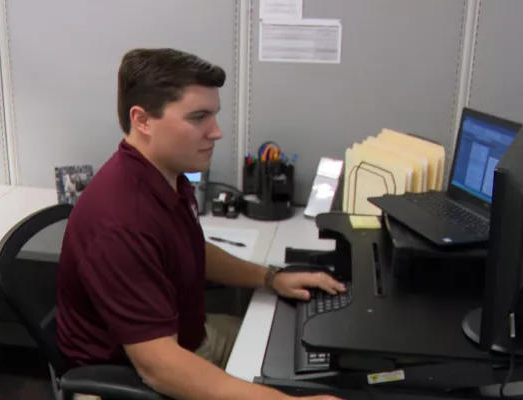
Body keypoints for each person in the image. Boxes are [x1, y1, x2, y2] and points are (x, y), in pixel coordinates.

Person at [56, 48, 344, 400]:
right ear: (142, 120)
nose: (216, 132)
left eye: (215, 115)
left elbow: (191, 251)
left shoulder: (166, 177)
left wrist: (272, 278)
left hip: (187, 337)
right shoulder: (121, 221)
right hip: (132, 375)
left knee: (290, 346)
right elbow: (158, 367)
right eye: (199, 117)